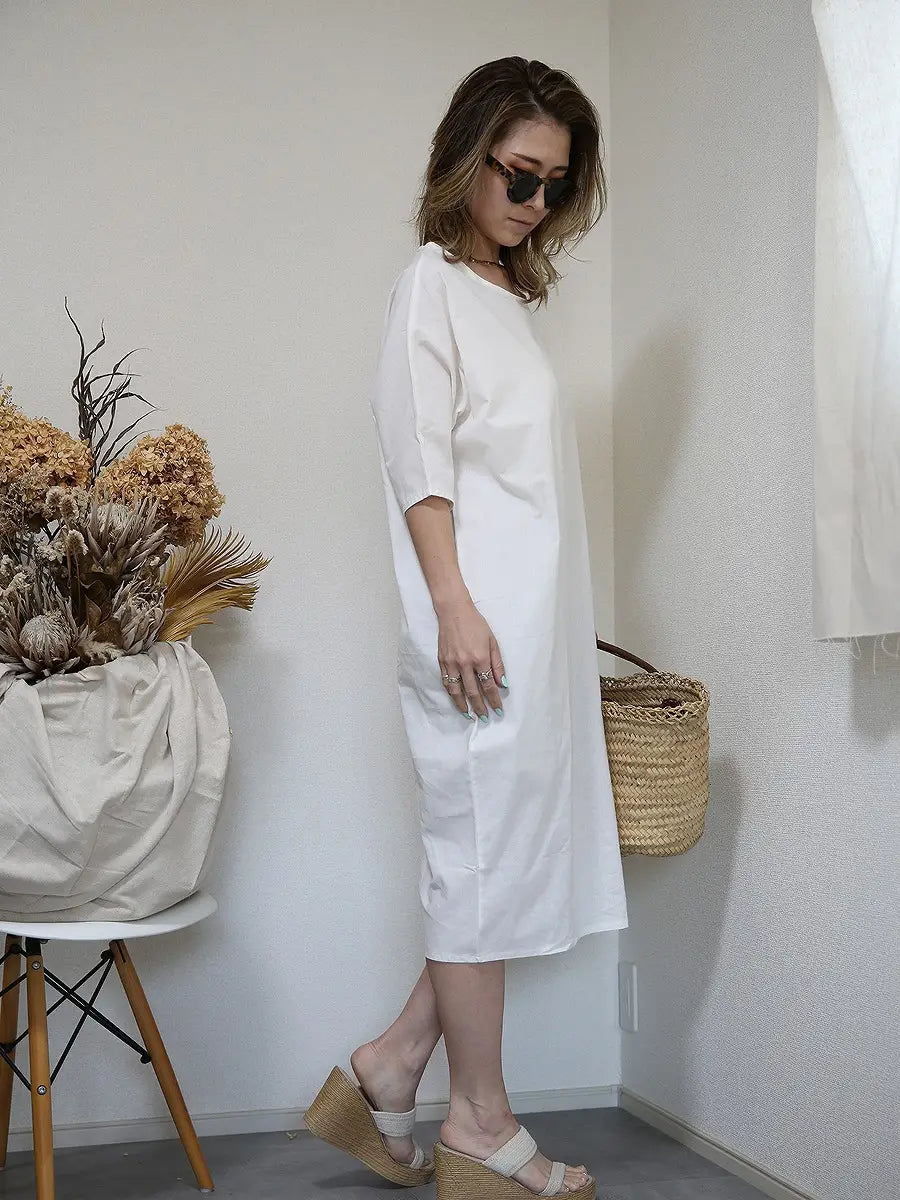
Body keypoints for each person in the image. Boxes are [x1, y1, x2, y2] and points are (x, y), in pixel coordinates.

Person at [305, 56, 628, 1199]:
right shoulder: (431, 287)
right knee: (478, 865)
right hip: (478, 632)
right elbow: (421, 466)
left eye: (554, 185)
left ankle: (393, 1063)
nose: (534, 202)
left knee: (497, 867)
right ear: (465, 157)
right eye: (517, 174)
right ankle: (480, 1120)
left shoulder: (504, 300)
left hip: (525, 636)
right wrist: (453, 606)